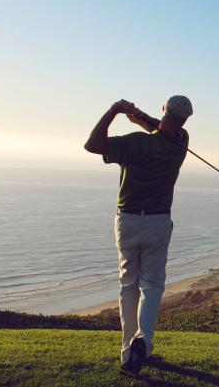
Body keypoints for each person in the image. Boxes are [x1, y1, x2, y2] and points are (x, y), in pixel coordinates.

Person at [84, 95, 193, 376]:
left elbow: (92, 145)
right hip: (159, 222)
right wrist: (140, 117)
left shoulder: (135, 143)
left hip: (129, 220)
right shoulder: (182, 142)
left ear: (163, 110)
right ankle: (142, 342)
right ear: (185, 120)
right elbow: (164, 129)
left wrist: (115, 110)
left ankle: (128, 350)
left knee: (128, 285)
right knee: (152, 286)